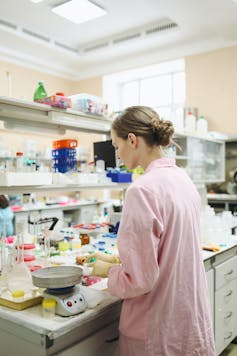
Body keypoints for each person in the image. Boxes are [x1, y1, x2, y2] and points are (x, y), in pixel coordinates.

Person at [87, 106, 215, 356]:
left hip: (155, 329)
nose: (117, 155)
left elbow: (139, 280)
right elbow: (169, 248)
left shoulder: (142, 190)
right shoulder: (182, 178)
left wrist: (111, 272)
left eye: (116, 146)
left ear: (132, 140)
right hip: (186, 317)